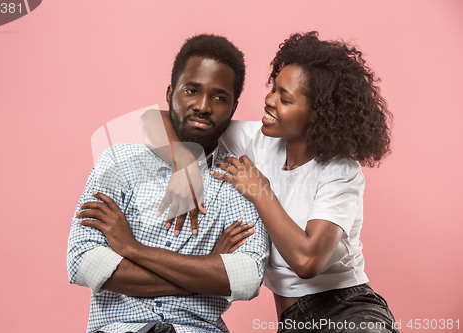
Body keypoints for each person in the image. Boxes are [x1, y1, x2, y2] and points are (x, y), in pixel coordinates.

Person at [145, 32, 398, 332]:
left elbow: (307, 260)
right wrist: (184, 163)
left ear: (318, 114)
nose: (269, 101)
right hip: (293, 322)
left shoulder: (340, 171)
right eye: (273, 89)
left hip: (347, 309)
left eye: (285, 98)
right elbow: (155, 119)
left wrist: (260, 191)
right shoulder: (253, 141)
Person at [67, 34, 270, 333]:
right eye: (192, 90)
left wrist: (132, 249)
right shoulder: (119, 163)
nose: (202, 106)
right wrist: (209, 268)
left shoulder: (239, 179)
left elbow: (247, 277)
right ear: (170, 92)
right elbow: (83, 262)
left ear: (233, 106)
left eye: (218, 97)